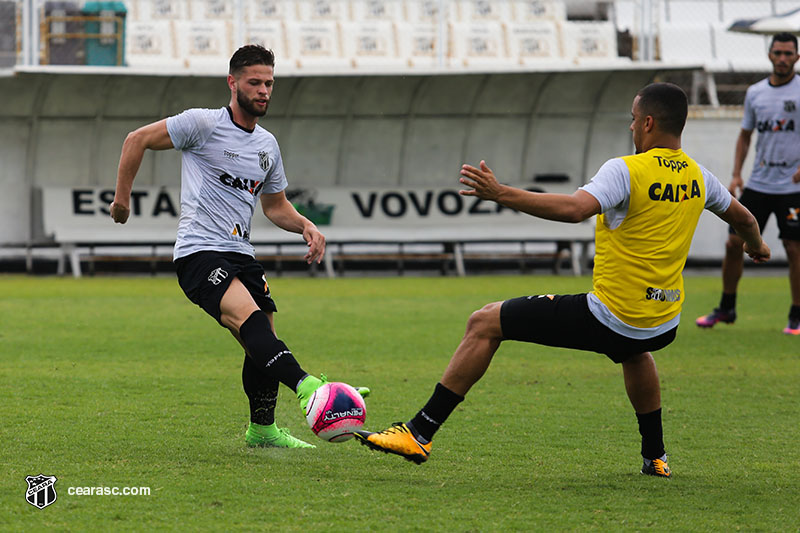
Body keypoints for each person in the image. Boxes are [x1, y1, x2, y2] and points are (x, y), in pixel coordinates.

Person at [354, 83, 771, 477]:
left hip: (611, 315)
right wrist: (757, 246)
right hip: (662, 322)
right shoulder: (698, 176)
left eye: (632, 117)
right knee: (635, 352)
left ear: (647, 123)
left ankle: (419, 432)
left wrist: (502, 193)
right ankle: (656, 457)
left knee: (484, 322)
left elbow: (574, 209)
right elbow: (745, 218)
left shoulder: (625, 170)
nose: (630, 125)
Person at [110, 45, 366, 449]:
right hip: (199, 252)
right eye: (255, 82)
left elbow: (275, 205)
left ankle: (262, 430)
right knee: (252, 323)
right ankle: (308, 386)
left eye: (269, 83)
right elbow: (136, 139)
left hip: (241, 254)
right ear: (233, 83)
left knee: (262, 340)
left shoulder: (267, 145)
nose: (264, 91)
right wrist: (122, 200)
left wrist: (304, 225)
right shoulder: (202, 124)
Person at [696, 33, 800, 334]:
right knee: (733, 243)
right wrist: (737, 174)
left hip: (792, 188)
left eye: (788, 53)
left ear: (796, 57)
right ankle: (727, 308)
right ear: (769, 55)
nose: (782, 58)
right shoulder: (755, 92)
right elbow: (745, 135)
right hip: (758, 183)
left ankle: (796, 314)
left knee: (794, 247)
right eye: (777, 52)